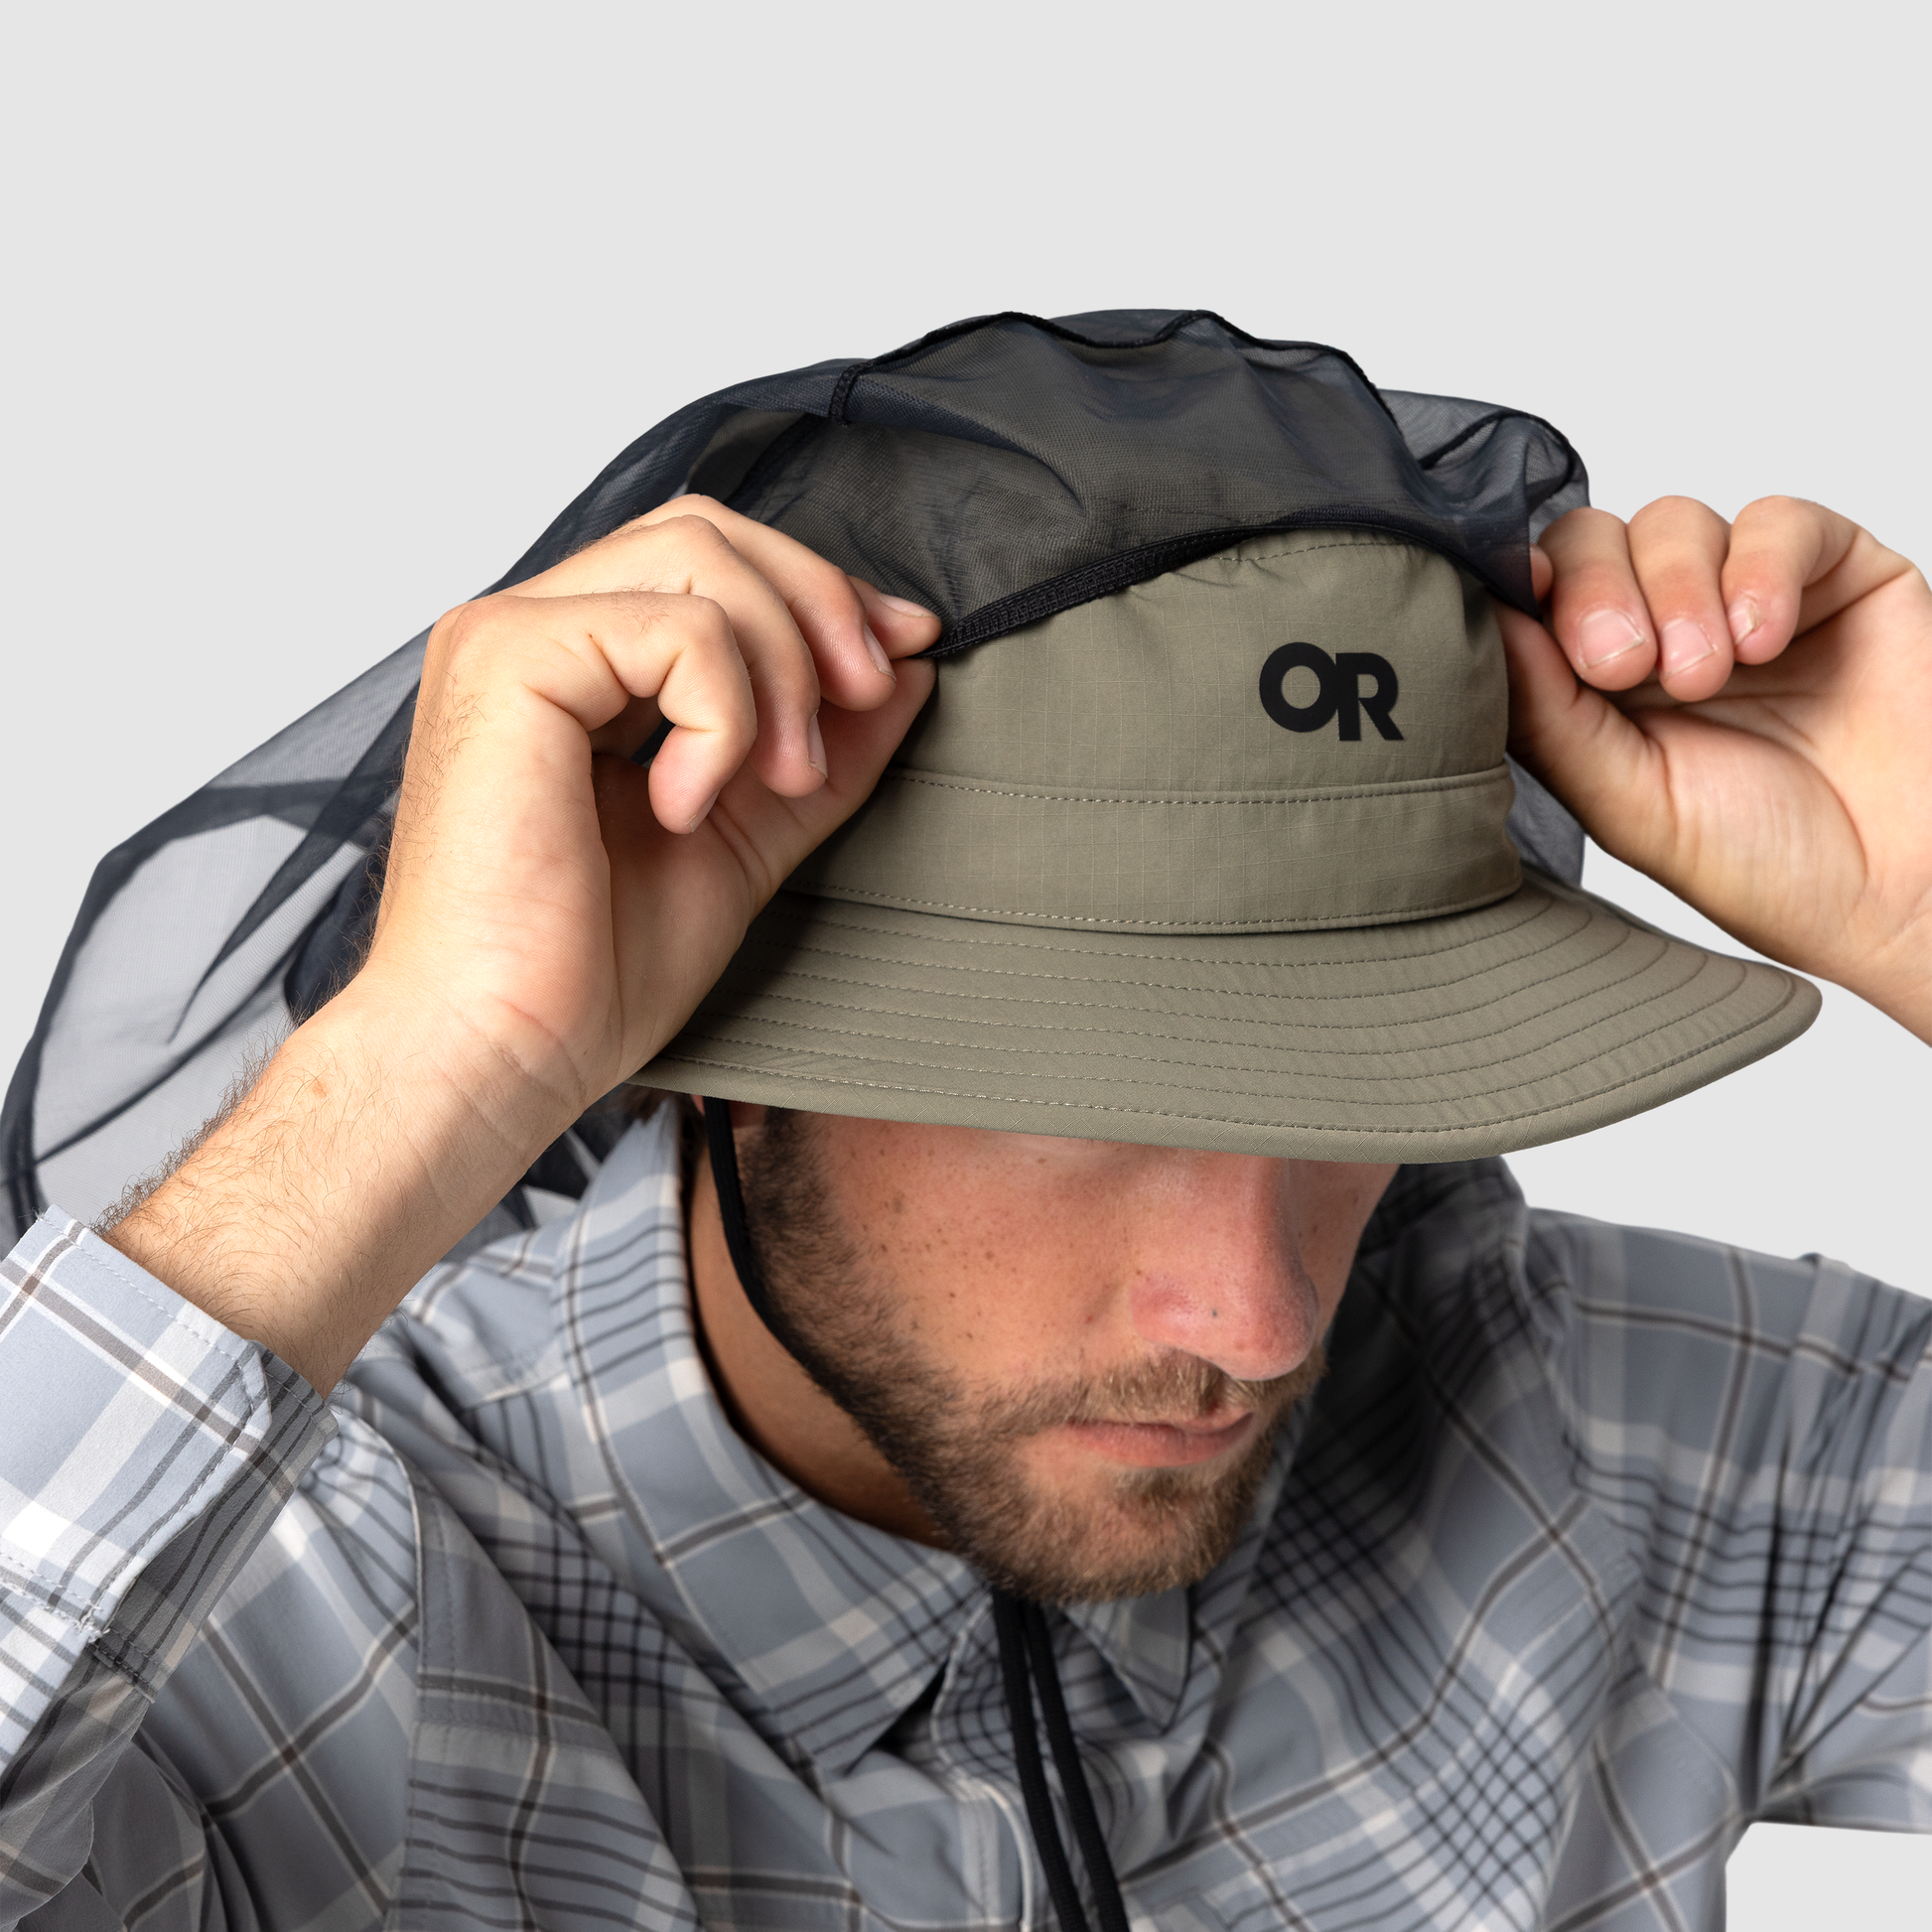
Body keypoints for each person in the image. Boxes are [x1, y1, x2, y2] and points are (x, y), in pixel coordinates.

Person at [1, 312, 1927, 1932]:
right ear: (713, 1033)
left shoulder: (1613, 1431)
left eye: (1360, 1101)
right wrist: (439, 1051)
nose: (1258, 1318)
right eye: (1084, 1107)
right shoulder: (302, 1610)